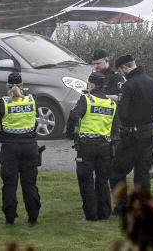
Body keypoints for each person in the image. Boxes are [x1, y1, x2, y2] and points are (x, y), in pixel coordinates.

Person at [110, 54, 153, 213]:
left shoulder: (128, 85)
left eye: (121, 70)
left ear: (125, 67)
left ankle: (121, 206)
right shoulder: (151, 82)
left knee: (117, 171)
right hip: (148, 132)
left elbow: (123, 112)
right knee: (142, 172)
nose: (122, 74)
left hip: (131, 135)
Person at [66, 71, 117, 221]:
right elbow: (115, 128)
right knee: (102, 181)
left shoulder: (86, 99)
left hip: (87, 147)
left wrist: (70, 134)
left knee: (86, 180)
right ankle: (104, 213)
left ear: (92, 84)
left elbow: (74, 116)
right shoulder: (111, 104)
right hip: (105, 147)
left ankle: (91, 215)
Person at [0, 71, 42, 226]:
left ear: (7, 86)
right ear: (22, 85)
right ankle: (33, 216)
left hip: (10, 147)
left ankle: (10, 217)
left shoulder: (3, 102)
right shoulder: (32, 99)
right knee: (29, 183)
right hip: (29, 146)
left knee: (9, 184)